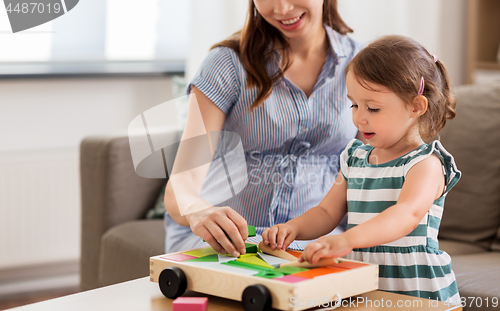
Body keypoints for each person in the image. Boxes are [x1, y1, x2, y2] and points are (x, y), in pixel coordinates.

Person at [262, 35, 461, 303]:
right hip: (362, 277)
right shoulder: (355, 157)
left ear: (416, 106)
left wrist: (347, 240)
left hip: (414, 286)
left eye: (373, 108)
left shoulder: (426, 163)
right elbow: (326, 212)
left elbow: (405, 214)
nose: (359, 117)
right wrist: (294, 228)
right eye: (354, 104)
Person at [164, 0, 363, 258]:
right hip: (226, 240)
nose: (281, 9)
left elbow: (369, 172)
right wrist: (198, 211)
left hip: (316, 244)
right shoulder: (227, 63)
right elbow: (182, 181)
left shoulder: (362, 66)